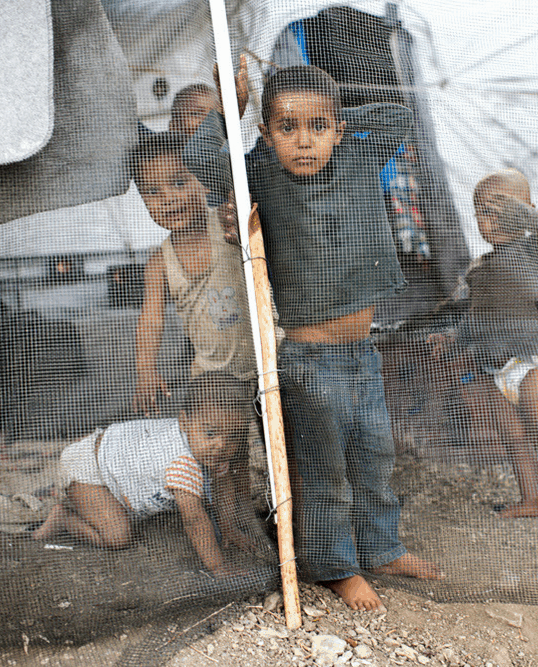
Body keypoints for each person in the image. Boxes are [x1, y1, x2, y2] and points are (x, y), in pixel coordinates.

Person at [188, 62, 442, 610]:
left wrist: (336, 116)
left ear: (339, 128)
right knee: (323, 472)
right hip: (308, 359)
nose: (303, 141)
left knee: (374, 458)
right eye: (286, 128)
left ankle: (382, 547)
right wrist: (229, 103)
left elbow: (397, 116)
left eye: (318, 127)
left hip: (364, 354)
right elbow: (203, 160)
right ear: (264, 133)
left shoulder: (356, 155)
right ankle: (333, 567)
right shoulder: (259, 171)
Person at [432, 170, 538, 531]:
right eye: (484, 212)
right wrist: (453, 337)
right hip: (494, 366)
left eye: (505, 210)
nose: (494, 220)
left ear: (528, 210)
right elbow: (475, 318)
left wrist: (524, 216)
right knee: (513, 435)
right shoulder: (478, 269)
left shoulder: (537, 249)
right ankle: (531, 499)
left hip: (534, 361)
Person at [32, 372, 258, 576]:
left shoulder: (209, 448)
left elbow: (223, 482)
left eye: (234, 436)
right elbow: (194, 520)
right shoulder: (182, 464)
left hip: (113, 453)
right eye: (210, 432)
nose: (221, 444)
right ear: (184, 422)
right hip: (89, 468)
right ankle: (64, 519)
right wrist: (218, 566)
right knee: (117, 536)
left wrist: (228, 526)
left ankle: (100, 501)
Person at [131, 131, 256, 417]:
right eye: (151, 192)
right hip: (210, 377)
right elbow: (150, 320)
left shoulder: (227, 223)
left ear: (202, 181)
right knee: (226, 447)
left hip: (266, 361)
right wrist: (146, 370)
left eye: (179, 182)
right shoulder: (159, 263)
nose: (168, 199)